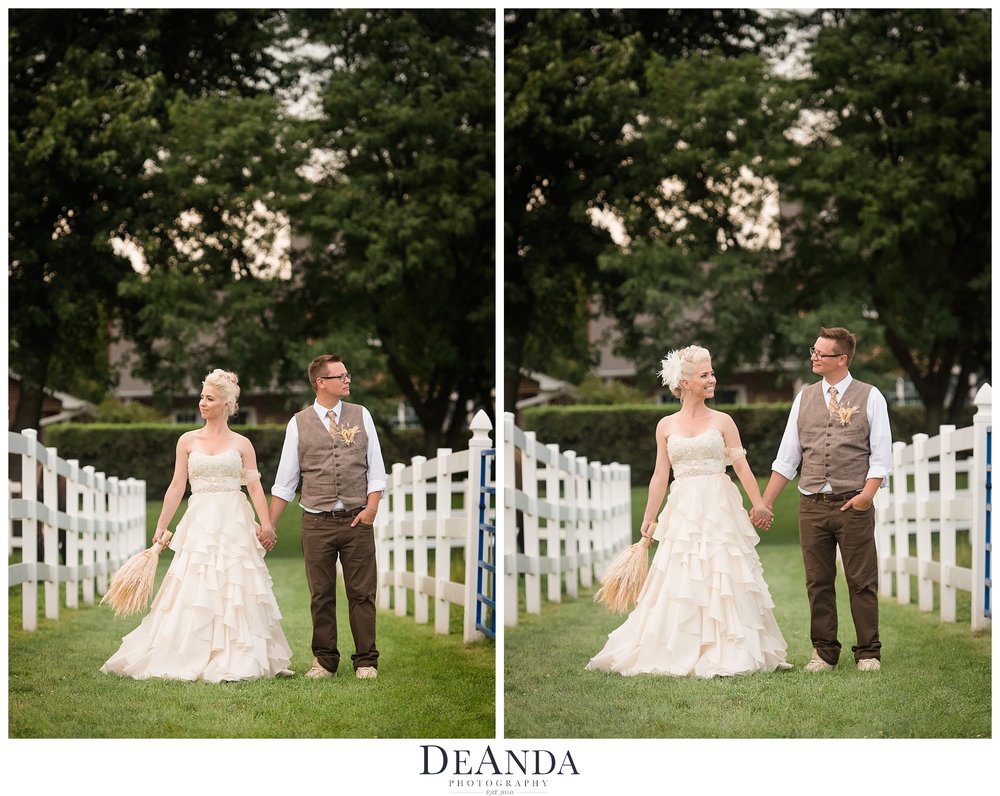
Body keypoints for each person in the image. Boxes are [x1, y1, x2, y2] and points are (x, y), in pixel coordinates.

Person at [587, 345, 791, 678]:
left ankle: (730, 646)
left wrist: (758, 503)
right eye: (705, 374)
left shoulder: (723, 421)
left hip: (719, 506)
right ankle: (677, 646)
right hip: (682, 507)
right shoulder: (665, 425)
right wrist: (649, 518)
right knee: (681, 573)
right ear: (685, 381)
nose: (713, 379)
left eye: (711, 373)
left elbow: (741, 466)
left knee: (723, 572)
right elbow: (659, 475)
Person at [102, 369, 293, 682]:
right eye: (202, 397)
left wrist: (266, 524)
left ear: (228, 405)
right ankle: (187, 650)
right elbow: (177, 485)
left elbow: (255, 486)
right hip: (200, 519)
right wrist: (162, 526)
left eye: (210, 398)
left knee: (237, 583)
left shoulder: (243, 443)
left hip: (234, 519)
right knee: (194, 581)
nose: (202, 403)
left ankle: (240, 653)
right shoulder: (187, 440)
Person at [760, 326, 891, 673]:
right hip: (812, 504)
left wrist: (866, 496)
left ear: (842, 359)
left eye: (821, 353)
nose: (814, 357)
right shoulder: (803, 398)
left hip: (853, 503)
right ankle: (824, 653)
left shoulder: (870, 396)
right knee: (817, 582)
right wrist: (766, 503)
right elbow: (787, 458)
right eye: (813, 351)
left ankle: (868, 653)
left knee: (861, 580)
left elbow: (880, 456)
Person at [269, 355, 386, 680]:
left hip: (356, 520)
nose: (347, 380)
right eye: (340, 376)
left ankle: (366, 661)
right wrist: (269, 525)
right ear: (321, 382)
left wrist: (371, 509)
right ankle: (324, 662)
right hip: (316, 522)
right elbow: (286, 481)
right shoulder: (298, 423)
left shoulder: (362, 415)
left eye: (347, 375)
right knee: (321, 595)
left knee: (362, 593)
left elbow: (376, 468)